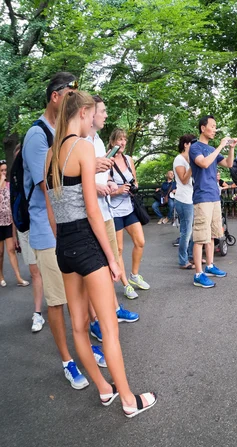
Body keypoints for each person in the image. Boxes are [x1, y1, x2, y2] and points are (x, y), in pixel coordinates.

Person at [44, 90, 156, 417]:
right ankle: (128, 399)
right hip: (87, 243)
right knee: (109, 326)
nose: (94, 119)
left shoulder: (51, 154)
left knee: (78, 326)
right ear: (81, 114)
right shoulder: (80, 147)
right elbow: (93, 212)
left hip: (63, 246)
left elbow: (55, 208)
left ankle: (104, 389)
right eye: (92, 114)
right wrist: (111, 259)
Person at [22, 72, 90, 387]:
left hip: (67, 230)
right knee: (57, 300)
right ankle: (67, 360)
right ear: (55, 97)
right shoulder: (38, 136)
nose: (75, 101)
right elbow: (50, 190)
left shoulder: (60, 132)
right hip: (49, 231)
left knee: (78, 294)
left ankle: (85, 351)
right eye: (70, 94)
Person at [87, 95, 138, 341]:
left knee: (110, 263)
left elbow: (99, 174)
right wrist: (96, 186)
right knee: (98, 266)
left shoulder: (96, 140)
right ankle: (95, 320)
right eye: (103, 111)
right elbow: (69, 178)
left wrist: (106, 181)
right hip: (92, 213)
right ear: (89, 112)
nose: (106, 115)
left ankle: (114, 309)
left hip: (105, 209)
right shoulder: (81, 139)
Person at [189, 115, 235, 287]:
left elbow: (229, 164)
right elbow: (203, 164)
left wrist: (230, 148)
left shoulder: (212, 149)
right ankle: (198, 274)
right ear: (203, 128)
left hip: (215, 195)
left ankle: (209, 265)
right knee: (200, 236)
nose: (215, 129)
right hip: (202, 197)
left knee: (213, 235)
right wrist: (221, 146)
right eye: (212, 126)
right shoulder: (195, 147)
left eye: (216, 126)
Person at [108, 128, 150, 299]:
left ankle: (134, 275)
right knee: (118, 248)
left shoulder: (129, 160)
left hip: (129, 207)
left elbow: (135, 180)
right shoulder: (106, 161)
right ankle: (126, 285)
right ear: (112, 142)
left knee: (140, 242)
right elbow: (100, 188)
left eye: (124, 139)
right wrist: (118, 191)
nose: (122, 142)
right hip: (114, 210)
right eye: (119, 139)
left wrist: (134, 187)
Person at [12, 145, 44, 332]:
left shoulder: (39, 173)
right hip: (25, 229)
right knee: (35, 273)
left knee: (54, 270)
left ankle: (66, 304)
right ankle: (38, 313)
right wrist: (16, 233)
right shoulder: (15, 181)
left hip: (43, 226)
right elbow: (14, 206)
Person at [0, 159, 30, 287]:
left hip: (7, 222)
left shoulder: (8, 185)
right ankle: (0, 275)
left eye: (5, 170)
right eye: (1, 170)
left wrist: (13, 227)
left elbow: (11, 205)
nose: (4, 173)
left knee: (11, 249)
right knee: (0, 253)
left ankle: (18, 277)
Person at [173, 134, 196, 269]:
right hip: (183, 199)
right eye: (192, 143)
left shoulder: (188, 159)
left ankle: (192, 256)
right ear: (186, 144)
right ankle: (183, 260)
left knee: (193, 230)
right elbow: (184, 180)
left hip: (192, 198)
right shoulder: (179, 160)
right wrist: (192, 166)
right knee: (186, 232)